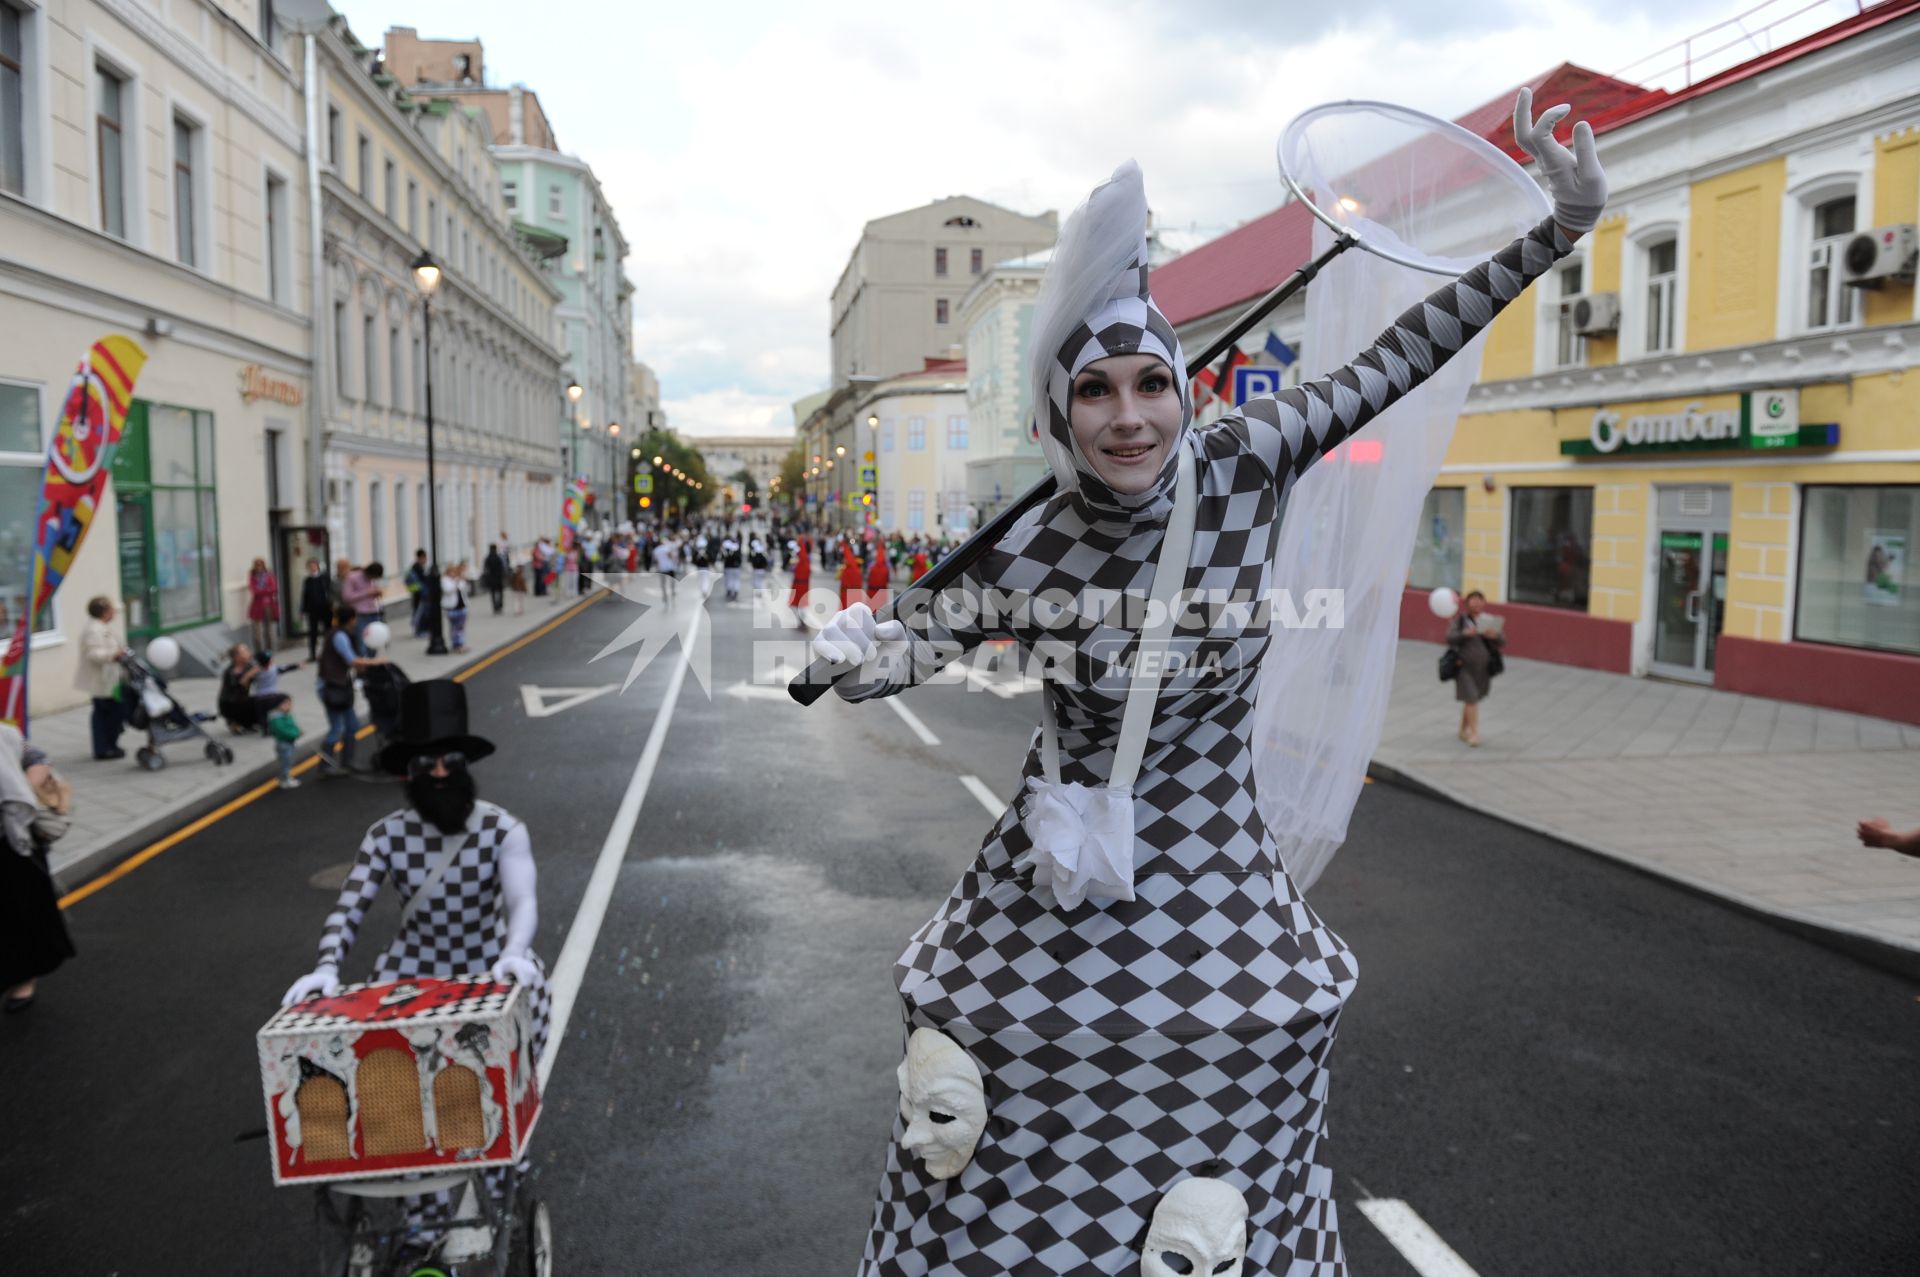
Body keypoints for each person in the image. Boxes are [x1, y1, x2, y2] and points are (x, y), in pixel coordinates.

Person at [815, 96, 1604, 1271]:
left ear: (1186, 388)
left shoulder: (1247, 459)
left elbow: (1405, 350)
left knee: (1229, 1048)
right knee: (1001, 1071)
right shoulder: (1026, 543)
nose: (1128, 415)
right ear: (1060, 409)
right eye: (1097, 390)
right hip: (1056, 863)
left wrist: (1558, 225)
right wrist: (849, 655)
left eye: (1150, 382)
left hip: (1214, 855)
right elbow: (912, 645)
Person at [279, 679, 549, 1233]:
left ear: (465, 762)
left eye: (451, 759)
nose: (441, 772)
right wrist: (326, 967)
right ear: (409, 770)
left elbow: (523, 900)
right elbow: (348, 909)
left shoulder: (503, 829)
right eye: (427, 761)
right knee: (395, 1085)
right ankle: (420, 1219)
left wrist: (514, 952)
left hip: (486, 966)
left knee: (512, 1037)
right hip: (411, 971)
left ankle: (505, 1159)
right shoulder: (384, 836)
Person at [0, 723, 75, 1012]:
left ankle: (23, 980)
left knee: (20, 915)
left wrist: (21, 794)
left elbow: (38, 759)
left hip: (11, 844)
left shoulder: (5, 734)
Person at [315, 604, 385, 774]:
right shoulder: (339, 636)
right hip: (331, 688)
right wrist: (376, 662)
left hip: (339, 686)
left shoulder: (337, 634)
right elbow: (352, 660)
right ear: (352, 619)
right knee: (337, 727)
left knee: (352, 725)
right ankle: (325, 765)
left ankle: (348, 761)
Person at [1446, 590, 1504, 747]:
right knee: (1471, 698)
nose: (1477, 603)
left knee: (1472, 699)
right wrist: (1465, 634)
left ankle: (1462, 730)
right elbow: (1449, 638)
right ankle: (1474, 733)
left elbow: (1502, 641)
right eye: (1473, 600)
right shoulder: (1461, 621)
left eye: (1480, 599)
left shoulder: (1489, 620)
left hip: (1483, 669)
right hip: (1463, 667)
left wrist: (1494, 636)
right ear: (1467, 603)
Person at [74, 596, 127, 760]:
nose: (114, 614)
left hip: (109, 680)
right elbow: (94, 654)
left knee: (111, 713)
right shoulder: (93, 630)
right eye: (111, 610)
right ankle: (103, 749)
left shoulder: (101, 626)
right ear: (104, 612)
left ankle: (110, 745)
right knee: (105, 714)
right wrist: (114, 654)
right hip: (101, 681)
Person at [299, 559, 334, 660]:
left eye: (314, 565)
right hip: (312, 610)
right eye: (310, 566)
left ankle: (329, 652)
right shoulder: (308, 580)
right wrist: (303, 610)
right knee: (312, 632)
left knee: (327, 631)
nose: (312, 568)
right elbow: (305, 595)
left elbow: (330, 592)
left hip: (325, 608)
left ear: (318, 566)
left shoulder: (324, 578)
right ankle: (312, 654)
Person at [342, 561, 384, 643]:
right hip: (360, 613)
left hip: (373, 611)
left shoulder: (371, 580)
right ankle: (362, 655)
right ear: (370, 573)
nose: (373, 579)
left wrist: (376, 593)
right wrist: (367, 593)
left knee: (374, 639)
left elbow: (372, 591)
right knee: (362, 640)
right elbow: (347, 597)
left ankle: (372, 655)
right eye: (373, 577)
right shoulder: (352, 577)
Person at [246, 557, 280, 655]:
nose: (259, 567)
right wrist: (266, 590)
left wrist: (263, 591)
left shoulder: (269, 576)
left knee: (269, 630)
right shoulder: (252, 577)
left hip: (269, 605)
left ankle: (269, 650)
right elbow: (254, 590)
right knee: (257, 632)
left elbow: (273, 588)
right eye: (257, 565)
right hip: (257, 606)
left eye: (260, 565)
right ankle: (259, 651)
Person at [266, 694, 301, 791]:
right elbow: (282, 731)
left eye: (290, 703)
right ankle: (284, 780)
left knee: (289, 761)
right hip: (283, 744)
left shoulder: (287, 715)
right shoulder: (276, 718)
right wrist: (296, 733)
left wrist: (297, 731)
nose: (289, 706)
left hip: (290, 742)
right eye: (285, 704)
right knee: (286, 762)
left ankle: (286, 777)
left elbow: (293, 726)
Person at [442, 562, 470, 654]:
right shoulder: (445, 580)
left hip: (462, 607)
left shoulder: (459, 579)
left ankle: (460, 644)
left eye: (454, 572)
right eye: (451, 572)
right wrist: (456, 582)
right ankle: (456, 645)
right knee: (455, 628)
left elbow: (466, 590)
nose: (453, 574)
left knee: (461, 628)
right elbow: (448, 590)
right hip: (452, 608)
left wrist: (462, 580)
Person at [404, 550, 431, 637]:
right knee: (420, 613)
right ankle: (419, 630)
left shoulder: (419, 567)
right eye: (424, 557)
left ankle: (421, 629)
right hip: (420, 595)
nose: (426, 559)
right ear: (421, 557)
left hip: (419, 594)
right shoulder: (417, 568)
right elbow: (422, 581)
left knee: (420, 612)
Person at [651, 533, 679, 601]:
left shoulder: (656, 550)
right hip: (669, 567)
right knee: (672, 580)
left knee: (663, 583)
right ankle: (672, 591)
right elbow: (671, 556)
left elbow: (654, 560)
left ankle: (664, 594)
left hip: (661, 568)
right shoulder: (666, 548)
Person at [482, 544, 506, 616]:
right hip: (498, 579)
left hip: (491, 579)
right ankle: (500, 605)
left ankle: (495, 607)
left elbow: (485, 569)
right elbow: (502, 568)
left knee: (492, 593)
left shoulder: (487, 558)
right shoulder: (498, 558)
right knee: (500, 593)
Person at [721, 535, 743, 602]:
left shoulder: (727, 549)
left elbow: (723, 558)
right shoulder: (737, 549)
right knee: (736, 580)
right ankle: (735, 592)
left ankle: (730, 591)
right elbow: (740, 559)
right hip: (736, 567)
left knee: (729, 579)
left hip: (728, 567)